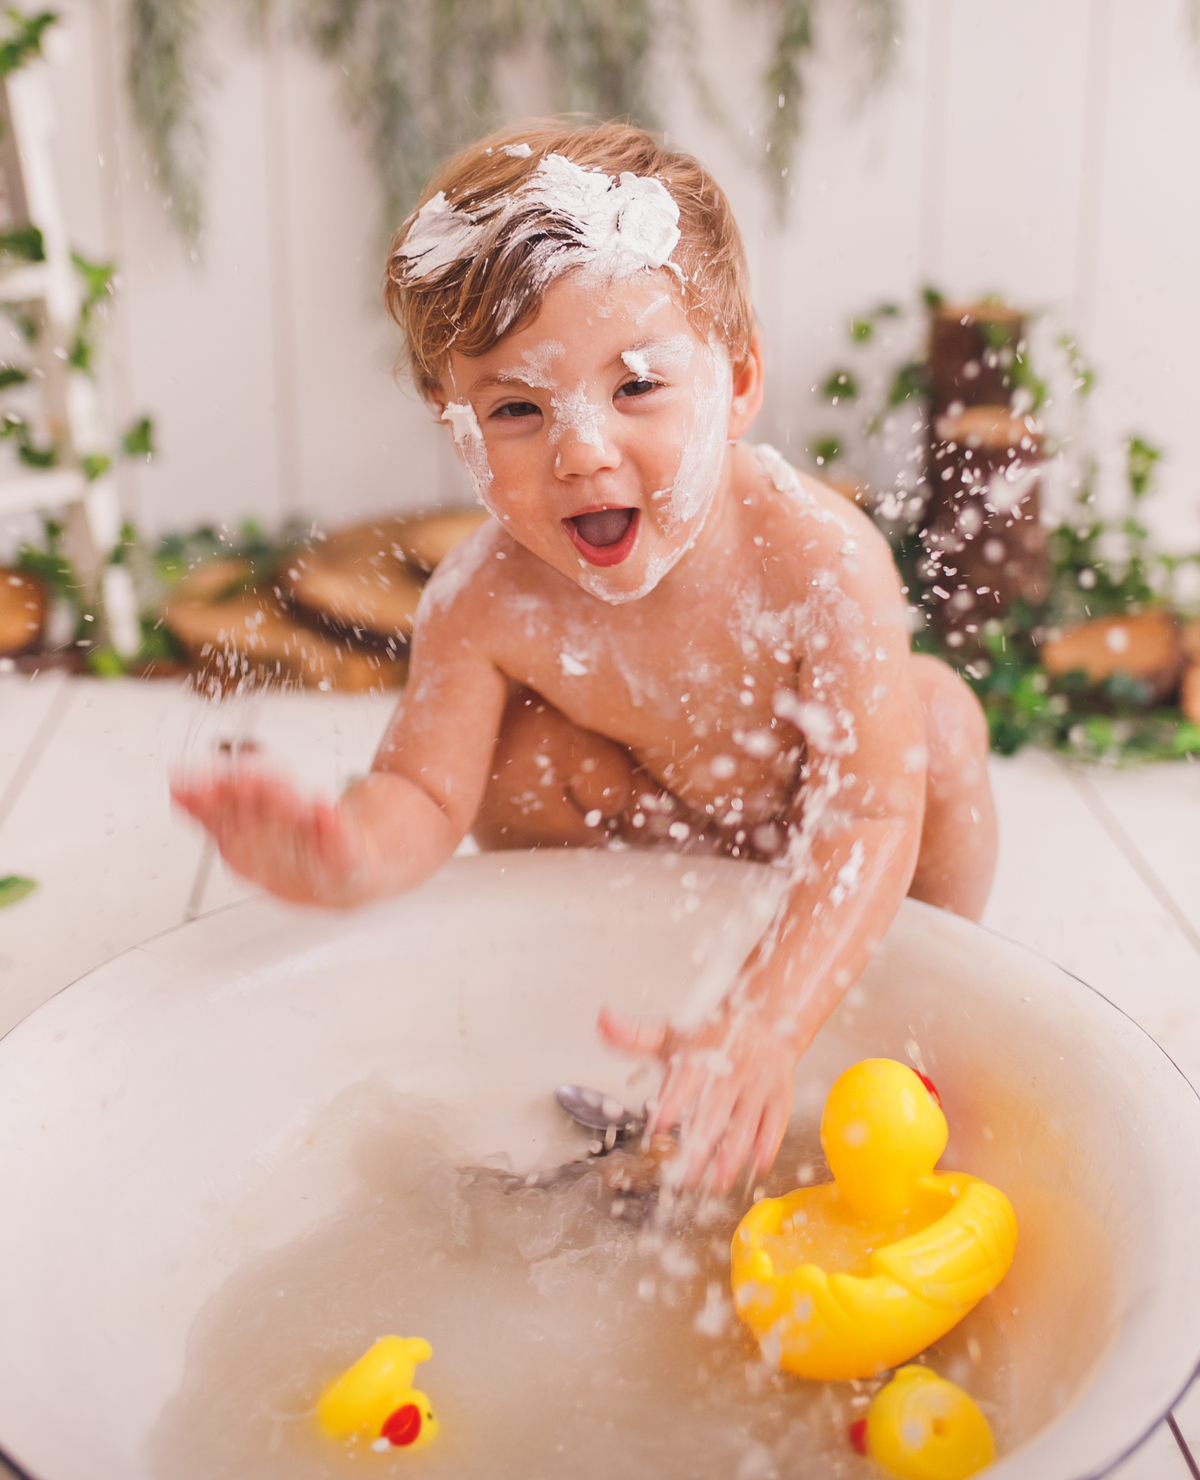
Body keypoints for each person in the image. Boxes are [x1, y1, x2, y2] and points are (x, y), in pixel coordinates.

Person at [172, 120, 997, 1192]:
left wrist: (768, 1015)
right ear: (453, 425)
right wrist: (349, 855)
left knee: (935, 725)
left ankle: (927, 1007)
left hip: (819, 835)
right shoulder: (486, 597)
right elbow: (423, 790)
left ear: (739, 382)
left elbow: (868, 813)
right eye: (515, 407)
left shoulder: (814, 556)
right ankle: (583, 1001)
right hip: (640, 840)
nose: (580, 449)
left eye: (638, 386)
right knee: (511, 757)